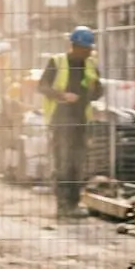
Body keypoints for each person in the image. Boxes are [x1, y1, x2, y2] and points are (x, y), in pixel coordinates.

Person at [37, 26, 104, 219]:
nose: (89, 52)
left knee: (78, 164)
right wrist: (62, 95)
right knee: (63, 164)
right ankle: (63, 205)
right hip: (61, 121)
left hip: (81, 123)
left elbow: (98, 93)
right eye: (85, 48)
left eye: (90, 48)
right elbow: (42, 86)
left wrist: (94, 90)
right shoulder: (57, 62)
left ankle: (74, 204)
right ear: (74, 46)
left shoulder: (90, 65)